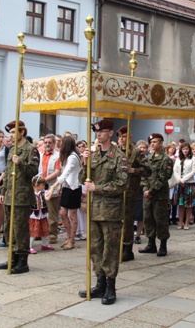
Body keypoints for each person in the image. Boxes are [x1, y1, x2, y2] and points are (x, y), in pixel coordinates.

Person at [78, 119, 127, 305]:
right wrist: (85, 162)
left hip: (111, 211)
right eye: (96, 132)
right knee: (95, 247)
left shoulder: (118, 157)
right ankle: (99, 283)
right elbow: (82, 178)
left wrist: (96, 187)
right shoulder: (94, 155)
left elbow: (121, 184)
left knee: (110, 249)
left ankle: (110, 286)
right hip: (94, 209)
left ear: (111, 133)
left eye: (102, 131)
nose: (98, 134)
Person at [0, 120, 40, 274]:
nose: (12, 135)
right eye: (10, 133)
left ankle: (22, 260)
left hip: (22, 196)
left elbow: (33, 171)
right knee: (8, 228)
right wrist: (3, 191)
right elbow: (7, 173)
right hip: (9, 194)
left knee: (20, 228)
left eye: (14, 132)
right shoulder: (11, 149)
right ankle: (12, 256)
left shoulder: (30, 149)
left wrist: (20, 162)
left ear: (22, 132)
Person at [116, 126, 151, 261]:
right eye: (119, 137)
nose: (121, 139)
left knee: (128, 220)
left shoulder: (136, 152)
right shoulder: (116, 151)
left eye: (124, 136)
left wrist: (133, 170)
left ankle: (127, 248)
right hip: (116, 191)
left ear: (129, 137)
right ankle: (118, 245)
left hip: (130, 191)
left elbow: (147, 170)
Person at [139, 132, 174, 257]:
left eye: (155, 142)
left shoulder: (166, 160)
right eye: (151, 142)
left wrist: (152, 190)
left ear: (161, 143)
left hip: (160, 195)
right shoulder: (148, 159)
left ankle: (163, 245)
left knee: (161, 220)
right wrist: (145, 189)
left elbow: (164, 177)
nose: (152, 144)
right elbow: (143, 175)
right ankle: (151, 243)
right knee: (148, 219)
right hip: (148, 194)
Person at [55, 135, 82, 250]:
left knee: (72, 214)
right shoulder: (66, 156)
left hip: (74, 188)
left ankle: (72, 239)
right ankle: (69, 236)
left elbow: (66, 172)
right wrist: (60, 185)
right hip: (67, 187)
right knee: (62, 213)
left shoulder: (72, 157)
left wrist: (56, 184)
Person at [39, 134, 61, 245]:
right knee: (39, 211)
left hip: (52, 186)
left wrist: (45, 180)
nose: (47, 144)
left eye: (50, 142)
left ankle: (52, 234)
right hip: (39, 187)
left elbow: (57, 172)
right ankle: (39, 232)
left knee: (52, 212)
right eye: (46, 142)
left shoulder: (58, 155)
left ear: (54, 143)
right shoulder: (40, 154)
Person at [172, 142, 195, 230]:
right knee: (181, 203)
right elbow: (175, 170)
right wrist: (179, 179)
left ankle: (187, 222)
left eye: (186, 149)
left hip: (189, 183)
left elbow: (193, 171)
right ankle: (180, 221)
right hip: (180, 184)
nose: (185, 151)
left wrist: (184, 179)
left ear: (189, 150)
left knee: (188, 204)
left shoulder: (193, 159)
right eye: (183, 149)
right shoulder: (178, 159)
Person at [29, 175, 51, 253]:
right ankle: (29, 246)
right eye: (43, 185)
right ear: (36, 185)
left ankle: (45, 244)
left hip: (43, 214)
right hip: (34, 215)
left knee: (44, 230)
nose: (44, 186)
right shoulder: (31, 194)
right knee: (34, 231)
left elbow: (48, 197)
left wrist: (53, 188)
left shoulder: (43, 192)